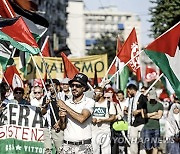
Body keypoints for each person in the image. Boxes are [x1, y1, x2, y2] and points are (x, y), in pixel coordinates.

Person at [57, 73, 95, 153]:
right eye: (72, 85)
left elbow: (82, 118)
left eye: (77, 86)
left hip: (83, 146)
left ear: (84, 88)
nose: (74, 88)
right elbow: (63, 127)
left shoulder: (89, 102)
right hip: (67, 145)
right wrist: (61, 118)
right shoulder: (67, 103)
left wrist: (65, 107)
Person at [41, 79, 63, 154]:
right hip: (48, 126)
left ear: (57, 86)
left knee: (60, 149)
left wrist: (59, 123)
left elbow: (65, 113)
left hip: (58, 127)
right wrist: (46, 105)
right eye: (49, 86)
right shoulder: (46, 97)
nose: (50, 88)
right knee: (47, 150)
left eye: (52, 85)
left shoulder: (62, 97)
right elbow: (43, 112)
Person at [92, 86, 116, 154]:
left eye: (95, 93)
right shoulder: (92, 103)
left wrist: (103, 120)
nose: (93, 94)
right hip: (94, 131)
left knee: (106, 151)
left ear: (101, 94)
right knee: (94, 151)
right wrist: (91, 119)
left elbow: (113, 117)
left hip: (105, 131)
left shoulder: (108, 103)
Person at [127, 84, 147, 154]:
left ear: (132, 90)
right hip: (133, 122)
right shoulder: (131, 98)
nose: (128, 93)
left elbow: (146, 108)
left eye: (129, 91)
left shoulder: (142, 97)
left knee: (142, 141)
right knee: (133, 141)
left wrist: (138, 111)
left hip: (141, 122)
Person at [142, 88, 163, 154]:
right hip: (147, 127)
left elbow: (159, 116)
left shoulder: (160, 105)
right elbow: (144, 116)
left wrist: (148, 115)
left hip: (156, 127)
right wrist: (154, 113)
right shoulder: (145, 104)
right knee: (147, 147)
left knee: (155, 146)